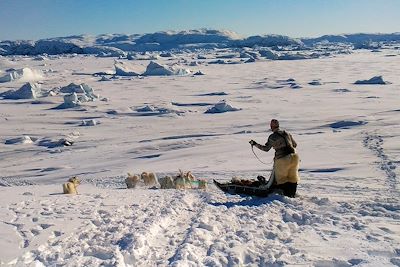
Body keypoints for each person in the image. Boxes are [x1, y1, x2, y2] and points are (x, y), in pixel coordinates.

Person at [249, 119, 300, 197]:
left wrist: (255, 144)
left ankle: (285, 195)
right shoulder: (287, 133)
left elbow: (266, 149)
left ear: (271, 126)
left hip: (282, 159)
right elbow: (295, 145)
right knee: (292, 177)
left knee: (282, 179)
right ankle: (292, 194)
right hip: (294, 158)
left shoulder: (272, 136)